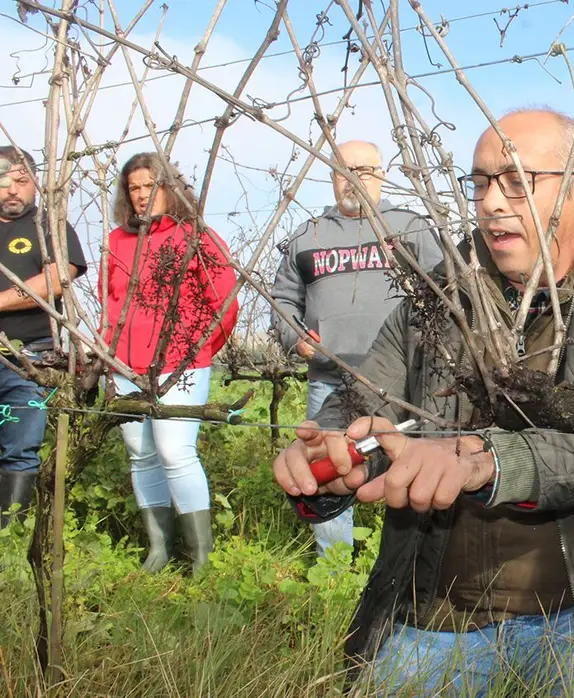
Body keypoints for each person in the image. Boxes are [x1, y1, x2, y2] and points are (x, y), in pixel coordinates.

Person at [272, 109, 574, 697]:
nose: (490, 202)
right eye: (480, 183)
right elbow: (362, 403)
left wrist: (490, 460)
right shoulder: (432, 305)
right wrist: (337, 456)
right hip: (437, 621)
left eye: (515, 182)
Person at [271, 140, 441, 557]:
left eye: (365, 170)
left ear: (382, 174)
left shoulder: (410, 227)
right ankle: (334, 568)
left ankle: (412, 561)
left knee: (414, 466)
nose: (355, 180)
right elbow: (282, 301)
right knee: (329, 469)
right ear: (331, 177)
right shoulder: (307, 235)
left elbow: (444, 288)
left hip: (404, 383)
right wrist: (297, 339)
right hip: (331, 380)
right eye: (345, 171)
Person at [101, 152, 239, 573]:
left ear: (169, 188)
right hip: (125, 364)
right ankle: (159, 549)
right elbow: (112, 303)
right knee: (141, 456)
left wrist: (198, 351)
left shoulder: (197, 235)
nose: (142, 196)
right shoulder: (116, 241)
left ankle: (201, 555)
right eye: (134, 188)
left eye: (150, 186)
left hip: (179, 362)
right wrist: (109, 356)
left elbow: (225, 299)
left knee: (175, 452)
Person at [0, 145, 86, 526]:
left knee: (20, 450)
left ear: (35, 184)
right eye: (3, 183)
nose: (13, 190)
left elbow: (58, 276)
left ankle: (10, 535)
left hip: (29, 360)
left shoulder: (49, 227)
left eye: (22, 181)